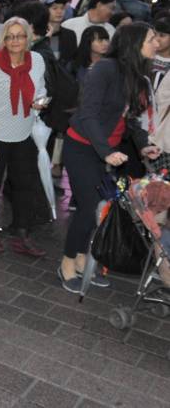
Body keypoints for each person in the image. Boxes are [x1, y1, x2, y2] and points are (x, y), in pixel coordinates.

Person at [60, 23, 161, 292]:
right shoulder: (105, 69)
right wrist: (106, 151)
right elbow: (88, 115)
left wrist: (142, 147)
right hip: (82, 147)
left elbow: (130, 119)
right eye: (152, 38)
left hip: (108, 151)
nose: (157, 43)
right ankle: (67, 262)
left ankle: (83, 259)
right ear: (134, 43)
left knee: (97, 208)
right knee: (88, 206)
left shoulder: (137, 75)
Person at [0, 17, 48, 256]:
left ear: (28, 38)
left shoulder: (36, 61)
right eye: (10, 36)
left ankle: (21, 233)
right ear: (3, 40)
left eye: (21, 35)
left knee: (24, 185)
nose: (16, 41)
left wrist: (39, 101)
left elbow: (40, 87)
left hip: (24, 134)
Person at [59, 0, 116, 64]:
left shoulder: (111, 30)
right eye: (111, 8)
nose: (113, 13)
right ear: (99, 5)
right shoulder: (69, 25)